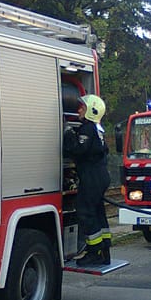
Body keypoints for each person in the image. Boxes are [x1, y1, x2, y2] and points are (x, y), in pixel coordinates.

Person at [64, 94, 112, 266]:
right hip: (100, 175)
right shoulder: (98, 129)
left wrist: (68, 133)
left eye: (82, 108)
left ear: (91, 111)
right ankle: (104, 250)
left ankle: (94, 252)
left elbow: (78, 150)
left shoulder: (88, 128)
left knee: (85, 212)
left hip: (92, 177)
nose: (79, 110)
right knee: (98, 212)